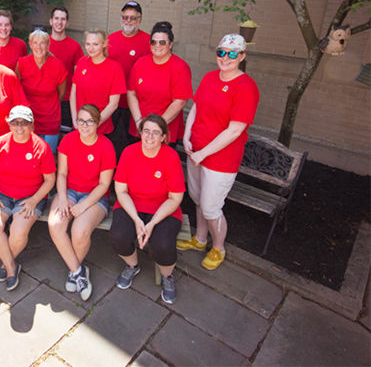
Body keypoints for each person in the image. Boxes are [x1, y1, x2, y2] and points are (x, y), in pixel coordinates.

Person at [177, 34, 260, 270]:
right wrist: (186, 136)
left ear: (242, 56)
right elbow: (195, 109)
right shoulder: (210, 78)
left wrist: (203, 154)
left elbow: (235, 130)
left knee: (212, 207)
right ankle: (200, 239)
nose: (226, 57)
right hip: (196, 151)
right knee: (198, 199)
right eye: (221, 52)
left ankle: (218, 248)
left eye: (233, 53)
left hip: (220, 159)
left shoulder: (246, 87)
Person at [109, 114, 185, 304]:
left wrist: (151, 224)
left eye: (156, 133)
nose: (150, 137)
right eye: (146, 131)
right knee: (118, 235)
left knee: (163, 244)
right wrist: (136, 219)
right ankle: (132, 265)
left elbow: (175, 198)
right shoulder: (129, 152)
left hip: (163, 208)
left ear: (163, 137)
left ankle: (167, 276)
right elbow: (121, 190)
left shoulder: (171, 157)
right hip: (131, 204)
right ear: (140, 133)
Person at [48, 104, 116, 301]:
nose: (84, 125)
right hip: (68, 192)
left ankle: (73, 270)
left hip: (94, 196)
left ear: (97, 123)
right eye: (80, 121)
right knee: (55, 224)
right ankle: (78, 272)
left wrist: (83, 205)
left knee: (79, 230)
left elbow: (104, 185)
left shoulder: (106, 146)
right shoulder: (69, 140)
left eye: (89, 121)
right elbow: (61, 173)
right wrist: (61, 199)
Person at [0, 106, 56, 291]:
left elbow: (50, 180)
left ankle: (5, 266)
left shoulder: (42, 147)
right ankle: (11, 267)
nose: (19, 127)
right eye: (15, 122)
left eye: (24, 123)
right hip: (2, 194)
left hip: (31, 196)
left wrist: (33, 200)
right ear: (9, 124)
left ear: (32, 125)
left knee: (18, 231)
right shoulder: (1, 143)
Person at [127, 21, 192, 144]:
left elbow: (180, 101)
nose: (157, 45)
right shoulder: (140, 63)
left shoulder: (180, 67)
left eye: (162, 42)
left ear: (171, 44)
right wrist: (139, 122)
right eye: (153, 42)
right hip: (139, 127)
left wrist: (155, 127)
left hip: (164, 130)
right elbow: (131, 93)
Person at [107, 1, 151, 152]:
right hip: (112, 101)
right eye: (125, 17)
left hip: (135, 104)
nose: (128, 21)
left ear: (140, 19)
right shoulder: (110, 39)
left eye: (133, 17)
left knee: (130, 143)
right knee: (110, 141)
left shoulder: (148, 41)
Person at [16, 29, 67, 153]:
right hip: (28, 120)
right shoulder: (22, 63)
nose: (39, 47)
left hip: (50, 119)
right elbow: (16, 89)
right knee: (29, 157)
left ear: (48, 45)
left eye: (42, 43)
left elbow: (61, 94)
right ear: (30, 44)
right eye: (35, 43)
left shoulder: (58, 66)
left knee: (48, 156)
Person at [70, 29, 125, 137]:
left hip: (102, 129)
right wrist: (75, 119)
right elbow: (73, 94)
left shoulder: (115, 68)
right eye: (88, 44)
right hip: (79, 127)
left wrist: (94, 124)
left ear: (104, 44)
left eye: (95, 44)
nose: (91, 48)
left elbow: (113, 104)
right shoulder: (81, 62)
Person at [48, 6, 84, 128]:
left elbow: (79, 78)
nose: (59, 22)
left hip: (66, 101)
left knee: (64, 136)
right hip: (45, 100)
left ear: (67, 23)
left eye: (63, 19)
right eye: (56, 18)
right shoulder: (42, 43)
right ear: (51, 21)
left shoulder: (75, 47)